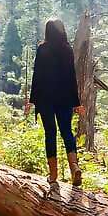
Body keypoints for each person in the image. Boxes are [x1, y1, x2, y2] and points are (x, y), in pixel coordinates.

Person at [25, 19, 85, 186]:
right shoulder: (67, 49)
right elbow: (72, 77)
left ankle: (53, 174)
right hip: (65, 98)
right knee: (67, 132)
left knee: (50, 133)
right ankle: (74, 167)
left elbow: (37, 76)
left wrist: (32, 100)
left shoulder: (42, 49)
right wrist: (76, 102)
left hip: (45, 99)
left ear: (47, 31)